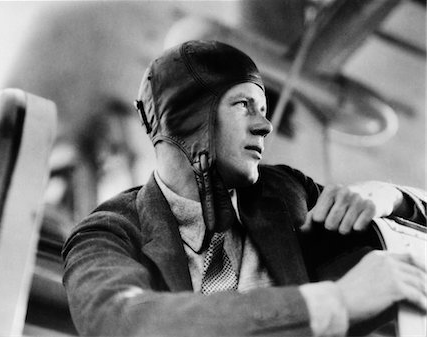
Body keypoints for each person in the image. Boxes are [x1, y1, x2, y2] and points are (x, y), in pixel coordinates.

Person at [62, 40, 426, 337]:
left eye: (264, 108)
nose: (265, 125)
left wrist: (387, 196)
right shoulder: (107, 233)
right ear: (188, 117)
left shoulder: (285, 192)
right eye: (244, 105)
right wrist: (336, 302)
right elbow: (121, 322)